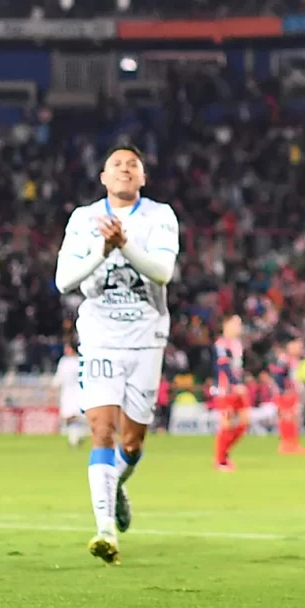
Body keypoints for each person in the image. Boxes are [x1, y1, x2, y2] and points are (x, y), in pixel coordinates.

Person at [54, 144, 180, 563]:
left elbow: (163, 272)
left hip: (146, 338)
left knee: (133, 440)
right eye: (117, 165)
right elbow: (63, 281)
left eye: (133, 165)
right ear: (103, 179)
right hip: (100, 337)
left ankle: (117, 484)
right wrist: (101, 251)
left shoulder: (160, 216)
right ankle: (106, 531)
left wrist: (124, 245)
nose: (125, 170)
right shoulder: (82, 219)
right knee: (101, 430)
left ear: (143, 178)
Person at [211, 367, 252, 472]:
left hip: (238, 389)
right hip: (226, 390)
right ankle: (220, 461)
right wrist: (234, 383)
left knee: (244, 423)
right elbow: (222, 364)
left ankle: (224, 454)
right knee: (226, 426)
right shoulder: (224, 352)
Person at [56, 342, 88, 446]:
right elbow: (60, 376)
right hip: (68, 391)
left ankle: (75, 438)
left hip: (77, 391)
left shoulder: (77, 361)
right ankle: (77, 436)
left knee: (75, 415)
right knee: (70, 416)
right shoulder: (66, 361)